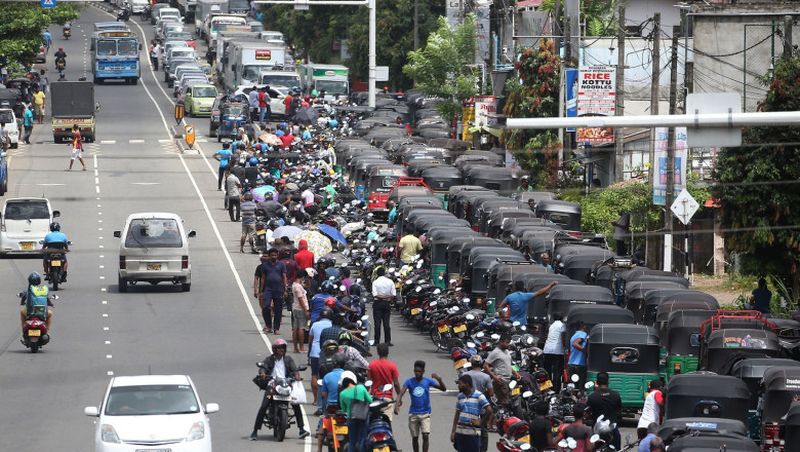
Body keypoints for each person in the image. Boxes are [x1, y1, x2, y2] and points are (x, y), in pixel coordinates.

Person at [250, 339, 310, 440]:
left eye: (283, 348)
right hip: (272, 385)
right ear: (274, 349)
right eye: (279, 348)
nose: (281, 350)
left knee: (296, 404)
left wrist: (297, 376)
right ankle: (255, 431)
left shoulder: (288, 359)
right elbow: (263, 367)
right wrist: (262, 373)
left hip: (286, 384)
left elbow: (295, 370)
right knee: (264, 405)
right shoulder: (269, 359)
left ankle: (301, 429)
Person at [395, 360, 446, 452]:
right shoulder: (409, 382)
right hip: (413, 413)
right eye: (415, 371)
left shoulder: (428, 381)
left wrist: (439, 379)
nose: (417, 373)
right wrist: (396, 405)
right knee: (415, 437)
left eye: (419, 371)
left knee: (425, 435)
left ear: (423, 372)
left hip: (425, 413)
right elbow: (400, 393)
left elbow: (443, 389)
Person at [451, 374, 492, 452]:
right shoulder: (460, 396)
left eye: (460, 384)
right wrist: (453, 432)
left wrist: (480, 422)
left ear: (467, 384)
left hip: (473, 433)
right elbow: (457, 414)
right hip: (460, 433)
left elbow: (489, 410)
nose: (458, 386)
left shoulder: (479, 396)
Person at [338, 371, 372, 452]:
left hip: (351, 418)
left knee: (352, 441)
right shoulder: (361, 388)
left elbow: (343, 409)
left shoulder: (342, 394)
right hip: (363, 417)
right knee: (362, 440)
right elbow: (370, 400)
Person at [587, 372, 622, 449]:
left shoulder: (592, 397)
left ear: (597, 382)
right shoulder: (615, 395)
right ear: (608, 381)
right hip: (612, 430)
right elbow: (619, 412)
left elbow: (588, 413)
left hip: (597, 431)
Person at [309, 307, 334, 414]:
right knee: (326, 377)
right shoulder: (331, 325)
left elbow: (310, 340)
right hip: (328, 353)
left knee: (314, 375)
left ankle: (315, 400)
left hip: (315, 352)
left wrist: (309, 352)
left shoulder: (315, 324)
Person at [368, 343, 402, 420]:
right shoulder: (392, 366)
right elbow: (396, 384)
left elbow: (369, 382)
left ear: (377, 352)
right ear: (388, 352)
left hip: (375, 398)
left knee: (372, 421)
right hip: (387, 398)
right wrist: (399, 398)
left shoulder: (372, 365)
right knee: (387, 421)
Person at [258, 248, 288, 334]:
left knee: (278, 309)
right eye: (272, 255)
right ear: (269, 256)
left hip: (278, 289)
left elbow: (284, 277)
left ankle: (276, 328)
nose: (273, 257)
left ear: (277, 255)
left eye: (275, 255)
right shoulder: (265, 265)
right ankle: (268, 325)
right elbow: (263, 278)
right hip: (268, 289)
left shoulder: (281, 265)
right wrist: (261, 291)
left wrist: (285, 289)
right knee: (266, 306)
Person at [483, 334, 518, 405]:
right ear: (501, 342)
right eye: (507, 342)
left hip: (509, 380)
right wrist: (494, 377)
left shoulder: (507, 351)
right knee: (504, 402)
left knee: (511, 400)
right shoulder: (495, 352)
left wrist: (515, 373)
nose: (508, 344)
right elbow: (485, 366)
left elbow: (508, 365)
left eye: (509, 342)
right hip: (501, 380)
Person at [543, 312, 567, 392]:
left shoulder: (551, 326)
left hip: (547, 350)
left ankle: (547, 388)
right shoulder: (562, 325)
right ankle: (555, 390)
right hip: (557, 351)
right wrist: (565, 347)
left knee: (547, 371)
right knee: (557, 371)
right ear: (561, 318)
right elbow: (563, 337)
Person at [371, 266, 396, 345]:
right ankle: (387, 341)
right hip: (386, 303)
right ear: (384, 273)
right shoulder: (390, 281)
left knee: (377, 323)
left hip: (378, 303)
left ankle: (377, 341)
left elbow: (375, 295)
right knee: (386, 323)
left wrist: (382, 297)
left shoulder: (375, 282)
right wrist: (387, 297)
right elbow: (393, 294)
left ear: (377, 274)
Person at [291, 270, 311, 353]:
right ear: (302, 277)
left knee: (295, 328)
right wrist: (305, 311)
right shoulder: (298, 287)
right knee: (301, 328)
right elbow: (300, 299)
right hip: (300, 309)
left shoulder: (295, 285)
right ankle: (301, 347)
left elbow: (308, 286)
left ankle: (296, 347)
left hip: (295, 308)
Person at [568, 322, 588, 388]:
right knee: (581, 387)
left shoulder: (573, 336)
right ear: (583, 326)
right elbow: (575, 344)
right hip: (580, 364)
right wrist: (585, 351)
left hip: (571, 363)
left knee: (573, 387)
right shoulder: (583, 334)